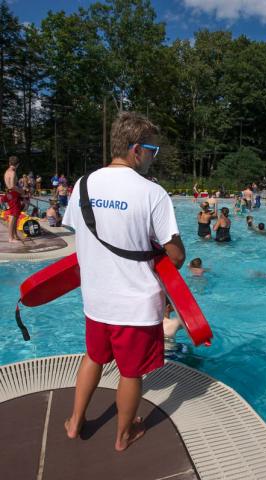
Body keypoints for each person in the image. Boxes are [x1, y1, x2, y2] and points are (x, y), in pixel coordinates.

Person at [62, 112, 185, 451]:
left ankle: (75, 422)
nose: (153, 157)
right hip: (135, 303)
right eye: (152, 150)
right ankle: (123, 434)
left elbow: (80, 233)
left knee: (93, 357)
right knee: (131, 373)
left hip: (96, 299)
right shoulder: (152, 193)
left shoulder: (83, 184)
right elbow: (175, 256)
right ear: (135, 149)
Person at [3, 156, 24, 243]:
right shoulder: (13, 172)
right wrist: (21, 191)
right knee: (12, 216)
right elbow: (12, 186)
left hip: (10, 194)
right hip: (13, 194)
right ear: (17, 164)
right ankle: (11, 238)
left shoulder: (7, 171)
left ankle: (15, 235)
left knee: (15, 216)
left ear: (9, 163)